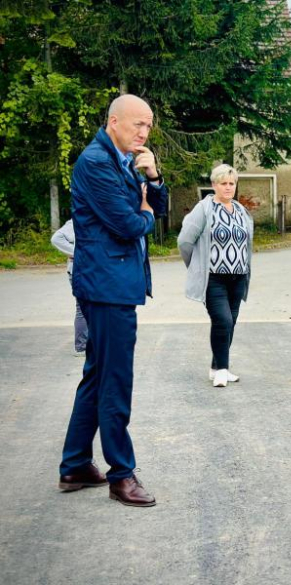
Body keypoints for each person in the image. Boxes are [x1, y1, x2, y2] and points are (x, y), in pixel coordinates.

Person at [58, 94, 167, 507]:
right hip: (106, 286)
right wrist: (144, 215)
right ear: (114, 121)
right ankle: (121, 475)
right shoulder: (96, 162)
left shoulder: (126, 159)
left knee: (98, 374)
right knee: (115, 380)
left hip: (114, 283)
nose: (144, 132)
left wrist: (153, 179)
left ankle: (74, 464)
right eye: (138, 124)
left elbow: (156, 209)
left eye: (149, 126)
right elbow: (127, 224)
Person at [177, 164, 253, 388]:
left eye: (231, 183)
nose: (228, 187)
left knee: (230, 323)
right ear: (214, 185)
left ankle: (216, 366)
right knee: (223, 320)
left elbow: (246, 245)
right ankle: (222, 370)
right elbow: (185, 241)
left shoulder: (240, 210)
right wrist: (196, 267)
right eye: (223, 183)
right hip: (214, 279)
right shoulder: (205, 208)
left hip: (238, 277)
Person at [51, 219, 88, 355]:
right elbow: (56, 239)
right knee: (82, 308)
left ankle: (90, 344)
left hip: (92, 271)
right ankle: (82, 347)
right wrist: (78, 253)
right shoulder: (78, 219)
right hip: (80, 271)